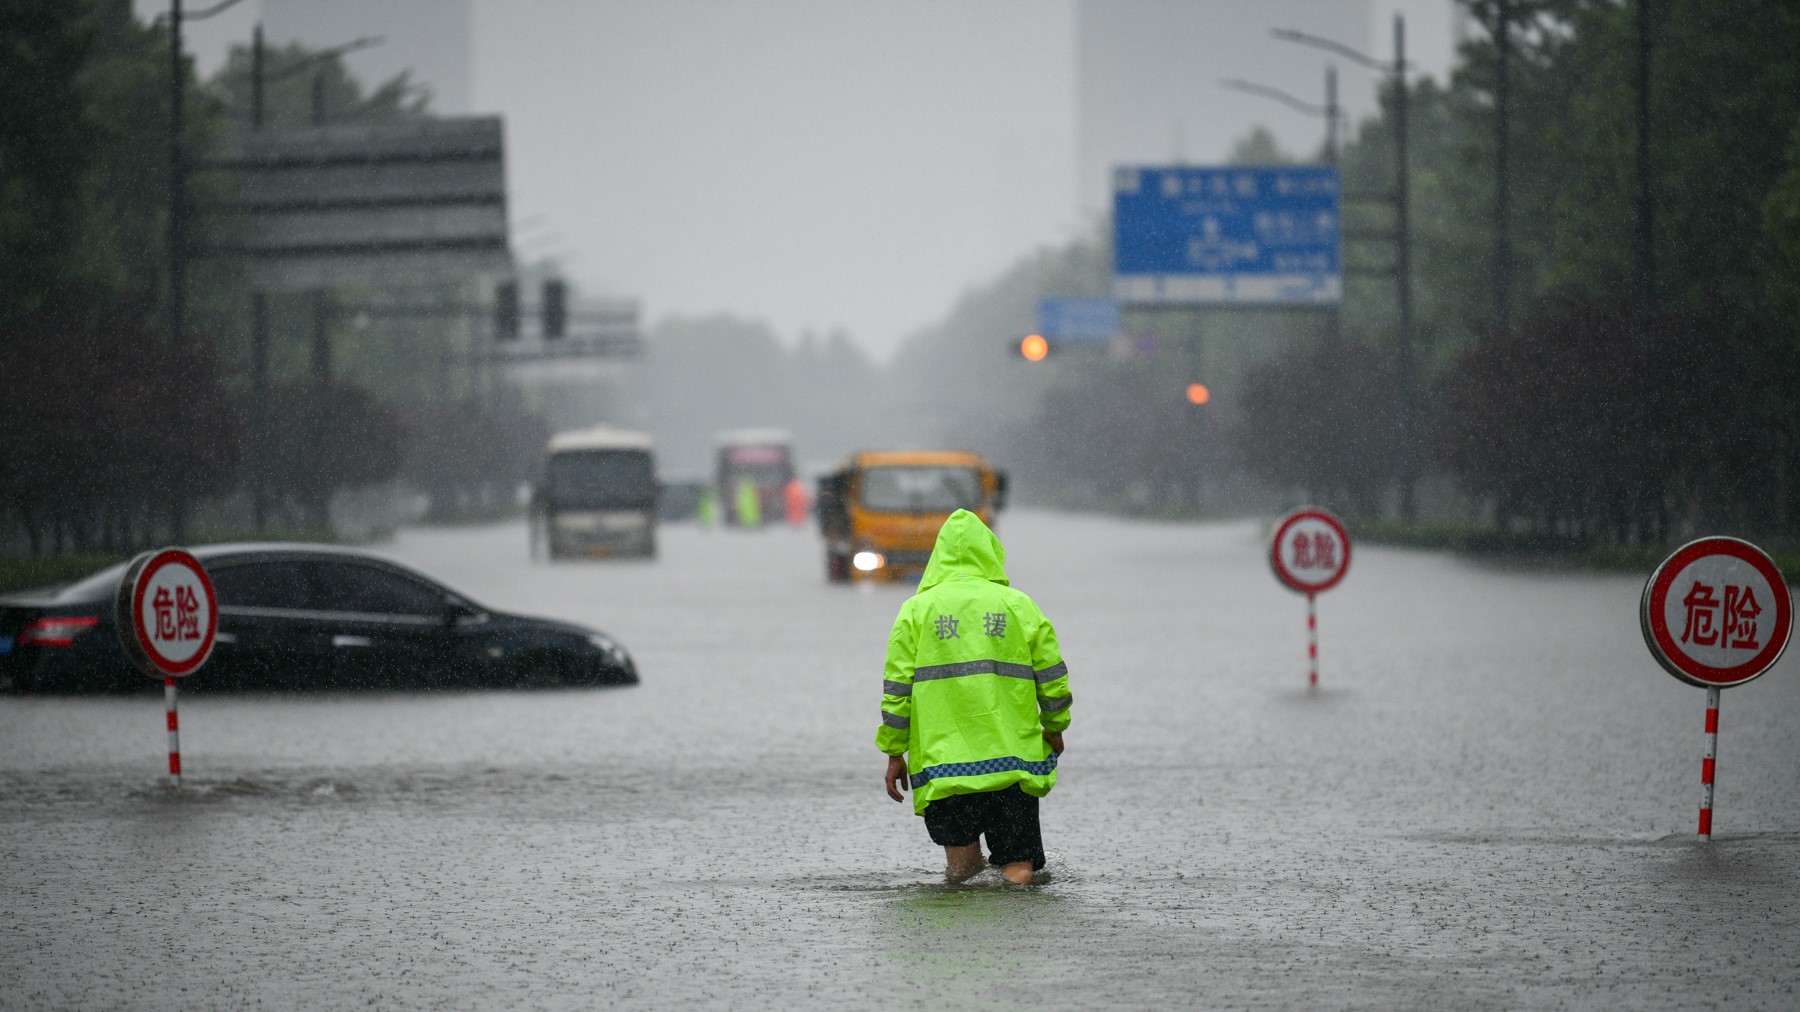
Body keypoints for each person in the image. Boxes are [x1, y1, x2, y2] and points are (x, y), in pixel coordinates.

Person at [876, 508, 1071, 884]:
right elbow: (1052, 676)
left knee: (962, 873)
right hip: (1011, 764)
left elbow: (896, 691)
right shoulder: (1018, 605)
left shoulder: (916, 612)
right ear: (991, 552)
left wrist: (894, 751)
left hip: (945, 767)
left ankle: (963, 937)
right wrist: (1056, 724)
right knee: (1018, 866)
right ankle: (1019, 933)